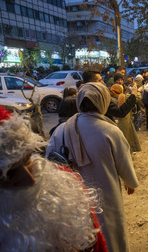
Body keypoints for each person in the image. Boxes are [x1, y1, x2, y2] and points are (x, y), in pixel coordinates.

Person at [46, 82, 139, 252]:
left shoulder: (61, 130)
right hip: (106, 197)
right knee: (110, 234)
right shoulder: (110, 131)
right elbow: (124, 162)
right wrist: (130, 182)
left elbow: (49, 161)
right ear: (104, 102)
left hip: (73, 198)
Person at [0, 106, 105, 252]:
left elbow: (97, 243)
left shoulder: (67, 184)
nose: (30, 180)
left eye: (26, 160)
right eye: (7, 175)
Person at [110, 84, 142, 153]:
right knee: (128, 139)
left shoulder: (110, 99)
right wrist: (136, 91)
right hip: (126, 122)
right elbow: (138, 97)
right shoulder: (125, 97)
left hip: (116, 124)